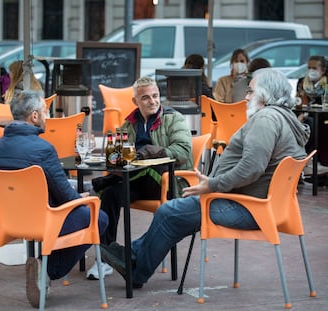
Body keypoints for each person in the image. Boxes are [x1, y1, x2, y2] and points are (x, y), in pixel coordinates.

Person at [100, 68, 310, 289]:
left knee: (168, 211)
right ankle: (134, 261)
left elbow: (251, 168)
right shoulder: (286, 119)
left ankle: (134, 264)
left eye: (251, 91)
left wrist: (212, 184)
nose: (246, 96)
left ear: (266, 94)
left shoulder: (266, 119)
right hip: (266, 206)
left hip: (248, 207)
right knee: (175, 217)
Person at [0, 90, 109, 308]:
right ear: (34, 116)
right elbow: (64, 195)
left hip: (7, 221)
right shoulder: (43, 149)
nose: (47, 116)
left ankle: (42, 270)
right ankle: (47, 270)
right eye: (45, 112)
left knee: (76, 207)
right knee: (98, 218)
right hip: (43, 221)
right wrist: (81, 198)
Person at [86, 76, 193, 281]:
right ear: (136, 101)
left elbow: (184, 151)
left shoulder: (173, 118)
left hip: (166, 181)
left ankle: (96, 185)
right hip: (134, 181)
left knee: (142, 170)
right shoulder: (129, 124)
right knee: (110, 195)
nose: (152, 101)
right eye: (145, 98)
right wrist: (113, 157)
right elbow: (118, 158)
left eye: (155, 96)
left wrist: (152, 152)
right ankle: (104, 258)